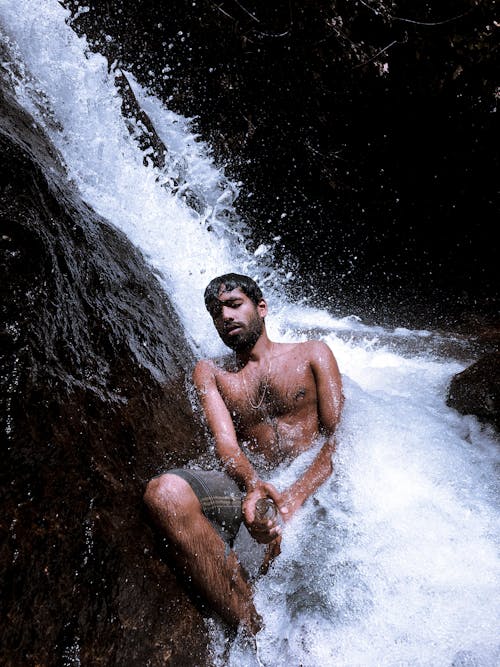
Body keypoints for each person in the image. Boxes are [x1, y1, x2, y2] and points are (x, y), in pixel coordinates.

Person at [144, 273, 343, 634]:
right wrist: (253, 485)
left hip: (314, 485)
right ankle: (253, 629)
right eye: (217, 312)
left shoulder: (314, 353)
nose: (226, 317)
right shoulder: (211, 372)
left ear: (261, 307)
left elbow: (339, 440)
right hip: (253, 483)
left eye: (235, 305)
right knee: (165, 494)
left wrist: (292, 499)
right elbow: (226, 445)